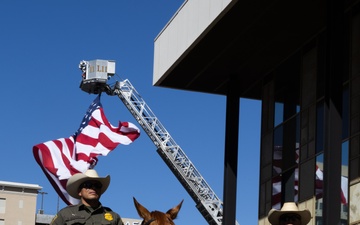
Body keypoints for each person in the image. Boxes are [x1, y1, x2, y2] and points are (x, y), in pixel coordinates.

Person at [51, 169, 123, 225]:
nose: (93, 188)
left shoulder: (114, 217)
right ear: (79, 192)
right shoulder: (65, 214)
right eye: (88, 185)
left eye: (97, 185)